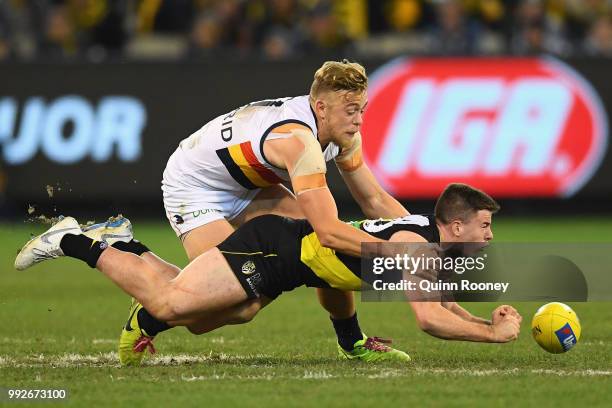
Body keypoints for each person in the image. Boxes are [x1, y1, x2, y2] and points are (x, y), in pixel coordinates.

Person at [15, 183, 523, 365]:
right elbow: (429, 319)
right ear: (454, 224)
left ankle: (125, 245)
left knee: (214, 317)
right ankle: (72, 240)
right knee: (170, 304)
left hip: (290, 262)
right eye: (484, 225)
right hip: (274, 248)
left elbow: (427, 297)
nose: (489, 235)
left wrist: (351, 339)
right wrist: (493, 335)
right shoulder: (418, 247)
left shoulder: (424, 242)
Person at [144, 59, 411, 362]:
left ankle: (351, 341)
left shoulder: (338, 131)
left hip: (249, 185)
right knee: (239, 306)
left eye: (362, 110)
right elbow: (328, 232)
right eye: (351, 112)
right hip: (195, 187)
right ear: (321, 108)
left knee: (314, 249)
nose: (359, 121)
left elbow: (374, 200)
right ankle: (146, 301)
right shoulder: (297, 141)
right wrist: (404, 254)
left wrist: (427, 241)